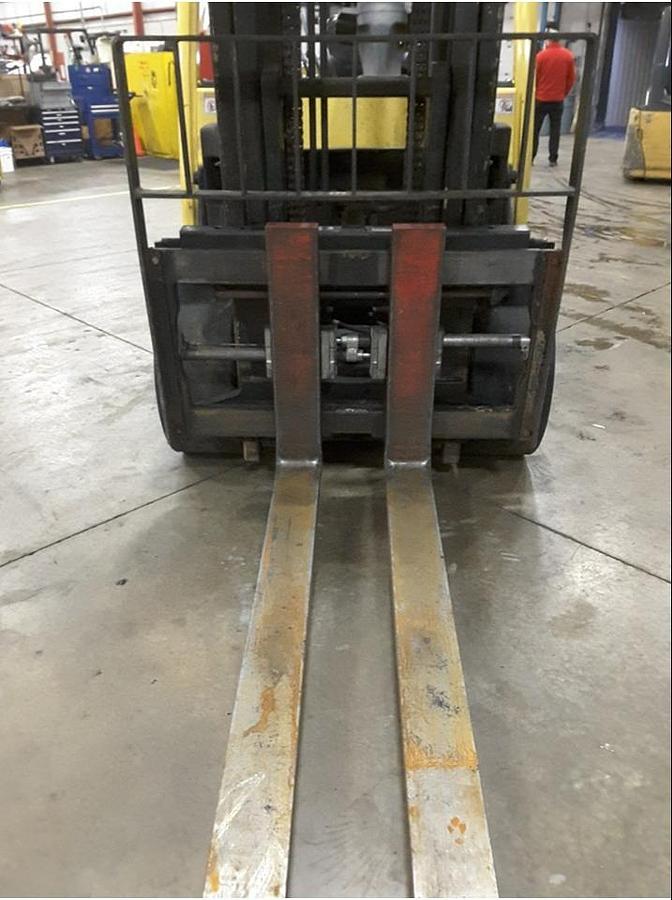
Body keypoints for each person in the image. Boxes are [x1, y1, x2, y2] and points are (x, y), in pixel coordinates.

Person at [533, 25, 576, 167]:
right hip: (557, 100)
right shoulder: (568, 56)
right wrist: (563, 93)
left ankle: (531, 157)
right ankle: (553, 158)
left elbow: (535, 78)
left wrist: (538, 91)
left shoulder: (540, 57)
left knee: (535, 130)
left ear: (547, 40)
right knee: (555, 130)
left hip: (540, 98)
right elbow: (571, 79)